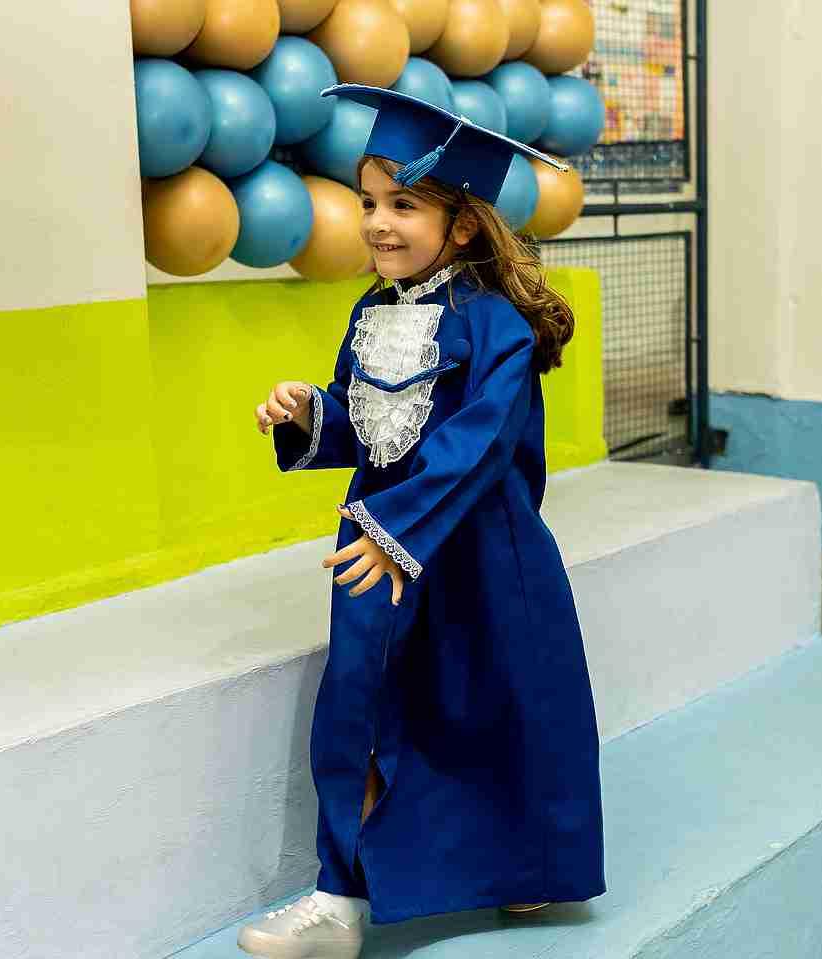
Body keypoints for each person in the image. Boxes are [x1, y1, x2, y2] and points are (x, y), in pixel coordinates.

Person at [240, 84, 606, 959]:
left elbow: (480, 444)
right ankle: (339, 900)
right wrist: (309, 412)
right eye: (369, 202)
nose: (377, 222)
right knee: (360, 705)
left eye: (402, 205)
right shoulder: (370, 311)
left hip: (479, 555)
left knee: (497, 707)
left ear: (464, 225)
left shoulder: (497, 326)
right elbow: (370, 424)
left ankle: (522, 865)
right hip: (379, 543)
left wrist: (394, 532)